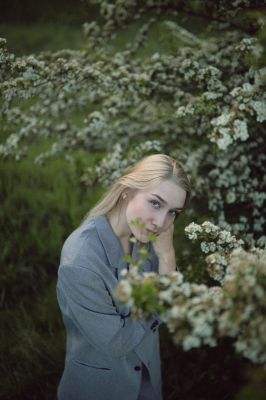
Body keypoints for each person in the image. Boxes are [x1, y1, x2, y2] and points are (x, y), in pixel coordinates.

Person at [56, 154, 191, 400]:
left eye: (173, 212)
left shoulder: (149, 239)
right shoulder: (80, 261)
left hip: (149, 380)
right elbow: (116, 342)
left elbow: (173, 306)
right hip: (101, 388)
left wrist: (167, 255)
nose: (161, 222)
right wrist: (157, 305)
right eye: (156, 203)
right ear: (127, 191)